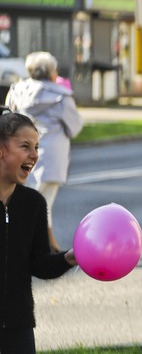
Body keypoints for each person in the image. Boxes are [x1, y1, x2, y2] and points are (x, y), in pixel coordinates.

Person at [0, 108, 78, 354]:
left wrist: (68, 258)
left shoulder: (32, 203)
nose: (34, 155)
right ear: (1, 150)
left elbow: (39, 265)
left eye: (37, 147)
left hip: (16, 322)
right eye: (25, 146)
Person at [5, 51, 83, 253]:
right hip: (51, 157)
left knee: (26, 202)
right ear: (52, 72)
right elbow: (74, 127)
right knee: (42, 204)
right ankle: (42, 249)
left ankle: (46, 246)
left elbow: (8, 121)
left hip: (20, 156)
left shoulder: (16, 90)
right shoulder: (61, 96)